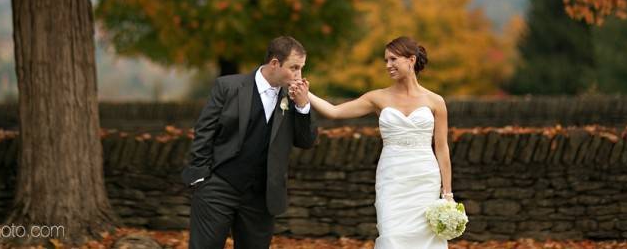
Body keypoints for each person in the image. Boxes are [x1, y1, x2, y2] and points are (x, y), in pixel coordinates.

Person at [303, 36, 452, 249]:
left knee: (425, 240)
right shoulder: (377, 98)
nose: (388, 65)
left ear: (411, 60)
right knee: (391, 237)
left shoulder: (436, 101)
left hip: (424, 179)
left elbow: (442, 148)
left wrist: (447, 194)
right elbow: (335, 112)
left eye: (393, 59)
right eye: (386, 61)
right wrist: (306, 93)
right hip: (392, 179)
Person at [182, 36, 317, 249]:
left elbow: (306, 141)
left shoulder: (293, 98)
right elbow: (204, 131)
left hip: (262, 197)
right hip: (218, 186)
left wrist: (303, 107)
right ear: (274, 63)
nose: (299, 75)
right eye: (294, 68)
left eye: (301, 68)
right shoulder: (228, 87)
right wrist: (200, 178)